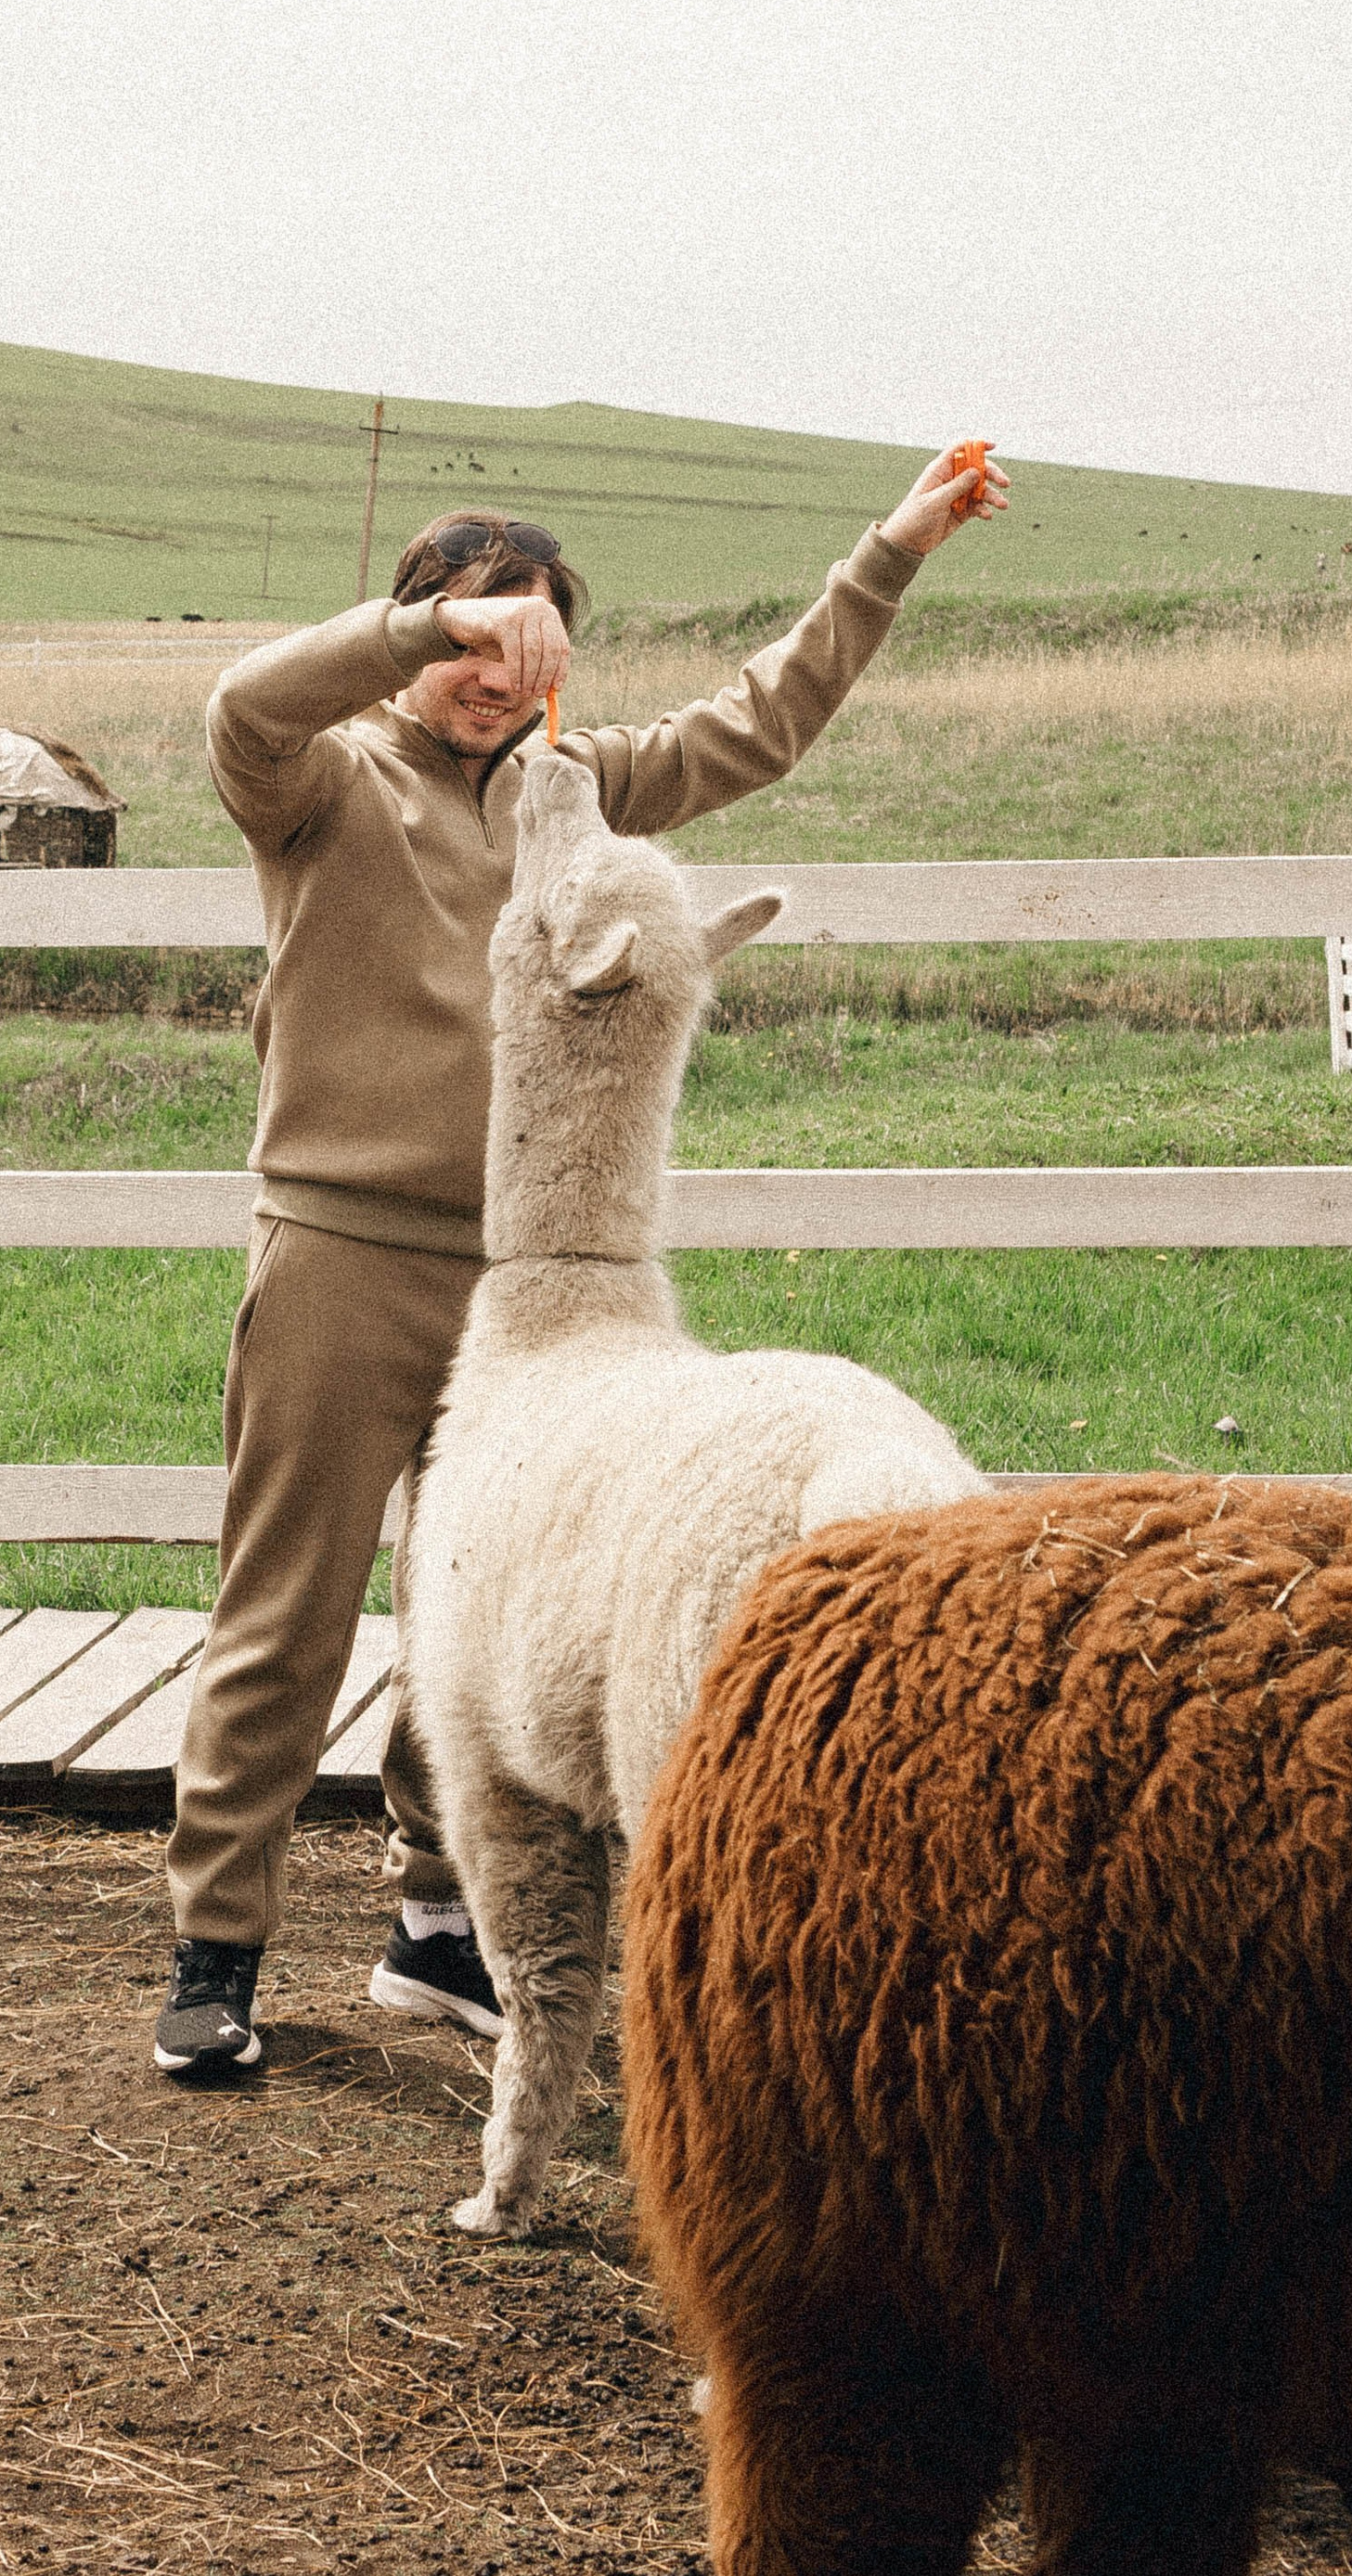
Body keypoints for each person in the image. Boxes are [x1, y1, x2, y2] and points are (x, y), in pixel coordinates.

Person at [152, 442, 1010, 2075]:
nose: (494, 679)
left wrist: (891, 548)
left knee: (474, 1608)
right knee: (289, 1608)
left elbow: (763, 721)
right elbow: (244, 704)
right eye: (469, 643)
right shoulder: (322, 782)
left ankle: (440, 1923)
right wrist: (424, 639)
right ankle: (218, 1952)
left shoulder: (582, 790)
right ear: (418, 634)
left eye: (529, 645)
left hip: (535, 1291)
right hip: (343, 1252)